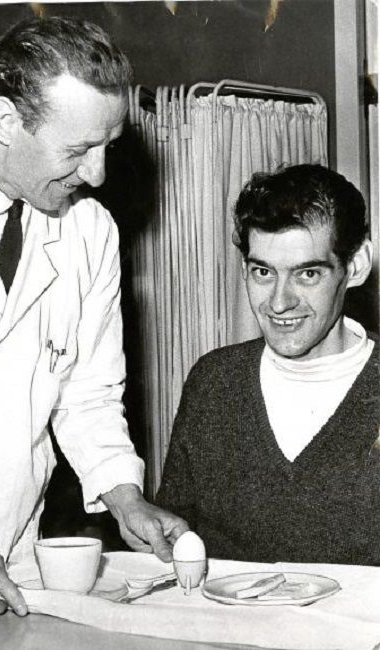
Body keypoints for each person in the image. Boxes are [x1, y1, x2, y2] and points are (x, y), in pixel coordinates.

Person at [0, 16, 187, 617]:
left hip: (11, 558)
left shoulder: (90, 230)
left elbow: (88, 394)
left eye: (108, 146)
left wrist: (124, 497)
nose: (97, 174)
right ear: (7, 121)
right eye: (77, 150)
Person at [156, 164, 379, 566]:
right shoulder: (214, 382)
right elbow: (175, 541)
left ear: (356, 265)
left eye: (307, 273)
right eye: (263, 272)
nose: (279, 302)